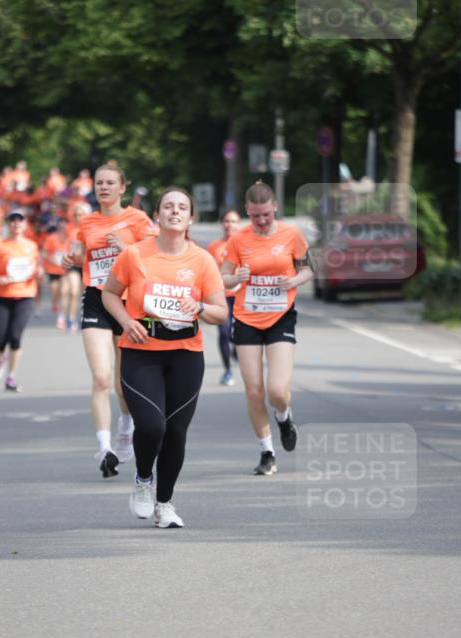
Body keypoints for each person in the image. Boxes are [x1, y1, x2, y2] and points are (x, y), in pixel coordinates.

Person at [102, 188, 227, 527]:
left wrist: (199, 306)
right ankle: (144, 479)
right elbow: (109, 293)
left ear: (191, 218)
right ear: (156, 215)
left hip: (186, 353)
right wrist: (126, 321)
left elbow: (220, 311)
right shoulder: (134, 255)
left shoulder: (202, 260)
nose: (174, 211)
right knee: (152, 426)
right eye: (168, 206)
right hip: (141, 352)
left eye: (182, 207)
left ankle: (165, 504)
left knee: (176, 432)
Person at [62, 161, 156, 478]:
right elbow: (78, 250)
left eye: (109, 183)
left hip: (128, 302)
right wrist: (70, 257)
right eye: (99, 183)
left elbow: (158, 253)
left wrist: (128, 247)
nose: (103, 188)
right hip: (96, 299)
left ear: (122, 187)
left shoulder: (137, 219)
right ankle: (104, 448)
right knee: (101, 378)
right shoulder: (87, 222)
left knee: (122, 384)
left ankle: (126, 426)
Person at [221, 181, 313, 476]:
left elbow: (308, 268)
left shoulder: (291, 235)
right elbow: (222, 279)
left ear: (275, 208)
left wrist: (294, 282)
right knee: (253, 391)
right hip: (246, 317)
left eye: (266, 215)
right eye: (255, 216)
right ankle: (267, 452)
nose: (261, 221)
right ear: (247, 211)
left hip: (280, 316)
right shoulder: (238, 239)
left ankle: (284, 418)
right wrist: (236, 277)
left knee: (277, 390)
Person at [0, 210, 42, 391]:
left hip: (25, 296)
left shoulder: (31, 246)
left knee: (15, 336)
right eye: (12, 220)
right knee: (0, 338)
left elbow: (37, 268)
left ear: (25, 225)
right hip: (2, 296)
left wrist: (39, 273)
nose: (16, 223)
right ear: (8, 225)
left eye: (20, 220)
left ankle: (11, 377)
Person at [207, 209, 242, 386]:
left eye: (234, 221)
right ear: (222, 223)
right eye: (227, 221)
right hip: (222, 296)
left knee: (238, 333)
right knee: (223, 332)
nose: (230, 225)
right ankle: (228, 370)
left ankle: (237, 349)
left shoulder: (245, 244)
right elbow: (211, 272)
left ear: (239, 224)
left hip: (241, 297)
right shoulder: (214, 246)